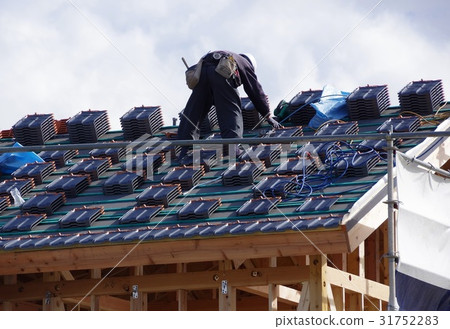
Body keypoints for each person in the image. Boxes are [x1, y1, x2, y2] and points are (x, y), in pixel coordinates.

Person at [177, 50, 282, 159]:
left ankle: (184, 150)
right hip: (222, 71)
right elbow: (255, 90)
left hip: (201, 71)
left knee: (194, 110)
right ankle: (234, 148)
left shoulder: (229, 56)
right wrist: (267, 114)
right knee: (231, 108)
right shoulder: (244, 63)